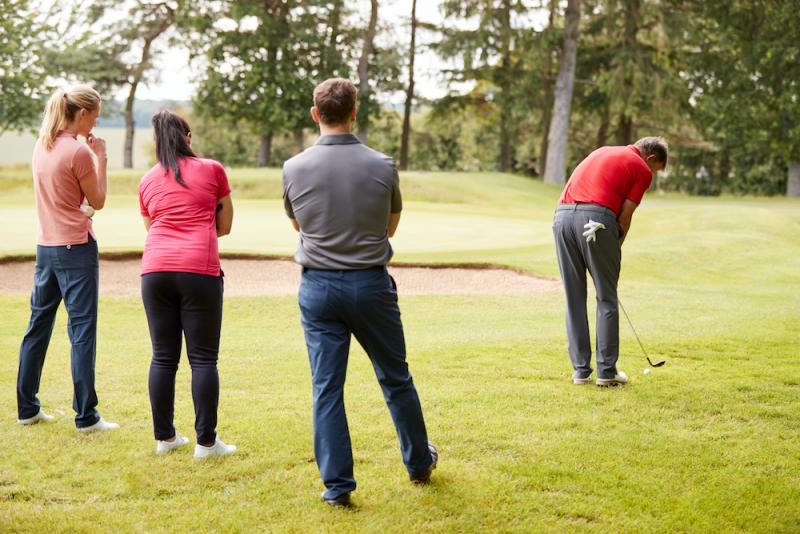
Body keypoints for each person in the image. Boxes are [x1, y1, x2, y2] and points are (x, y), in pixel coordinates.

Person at [283, 78, 437, 507]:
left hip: (317, 287)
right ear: (355, 113)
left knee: (326, 387)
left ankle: (337, 487)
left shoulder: (293, 167)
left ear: (316, 114)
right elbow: (390, 225)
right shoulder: (383, 165)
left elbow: (298, 225)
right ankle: (419, 463)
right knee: (395, 377)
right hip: (370, 284)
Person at [16, 85, 119, 432]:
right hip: (76, 248)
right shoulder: (77, 152)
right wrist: (101, 156)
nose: (97, 123)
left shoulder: (41, 146)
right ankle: (86, 416)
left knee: (37, 327)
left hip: (46, 248)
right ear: (83, 114)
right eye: (96, 116)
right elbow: (99, 200)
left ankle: (26, 407)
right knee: (82, 331)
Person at [138, 110, 236, 458]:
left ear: (157, 142)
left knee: (163, 358)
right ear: (188, 138)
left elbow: (152, 226)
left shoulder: (147, 180)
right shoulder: (212, 169)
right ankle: (206, 443)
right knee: (204, 360)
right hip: (199, 270)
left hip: (154, 271)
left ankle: (165, 439)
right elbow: (224, 226)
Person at [553, 137, 668, 386]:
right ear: (649, 158)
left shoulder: (602, 151)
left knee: (574, 297)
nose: (651, 175)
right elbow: (625, 215)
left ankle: (581, 372)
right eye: (654, 169)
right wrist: (614, 249)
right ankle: (607, 372)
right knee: (606, 297)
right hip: (595, 220)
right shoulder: (640, 168)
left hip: (561, 218)